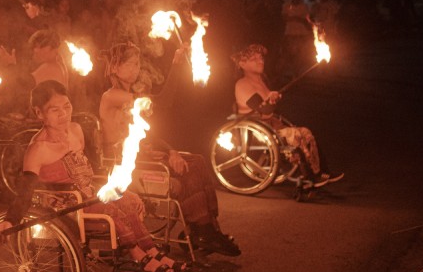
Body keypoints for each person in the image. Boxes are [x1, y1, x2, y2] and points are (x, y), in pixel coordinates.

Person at [0, 80, 188, 272]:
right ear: (39, 113)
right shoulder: (38, 149)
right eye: (54, 110)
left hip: (88, 195)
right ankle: (140, 257)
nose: (63, 114)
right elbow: (26, 191)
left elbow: (88, 168)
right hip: (64, 207)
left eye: (67, 106)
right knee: (111, 209)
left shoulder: (75, 130)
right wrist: (9, 221)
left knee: (127, 199)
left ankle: (152, 253)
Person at [98, 42, 240, 257]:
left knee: (197, 161)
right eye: (130, 63)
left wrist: (171, 151)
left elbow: (147, 133)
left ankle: (207, 228)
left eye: (138, 63)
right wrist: (175, 63)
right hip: (124, 165)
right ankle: (202, 231)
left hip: (142, 156)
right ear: (115, 67)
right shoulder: (111, 96)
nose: (136, 68)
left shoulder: (130, 96)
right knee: (187, 174)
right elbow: (163, 102)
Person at [232, 43, 343, 187]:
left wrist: (273, 99)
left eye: (261, 58)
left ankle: (322, 172)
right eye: (254, 59)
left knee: (306, 132)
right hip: (258, 129)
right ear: (242, 64)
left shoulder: (260, 82)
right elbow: (262, 109)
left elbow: (269, 109)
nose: (260, 61)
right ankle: (308, 178)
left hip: (271, 125)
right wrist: (270, 99)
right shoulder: (242, 84)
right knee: (296, 135)